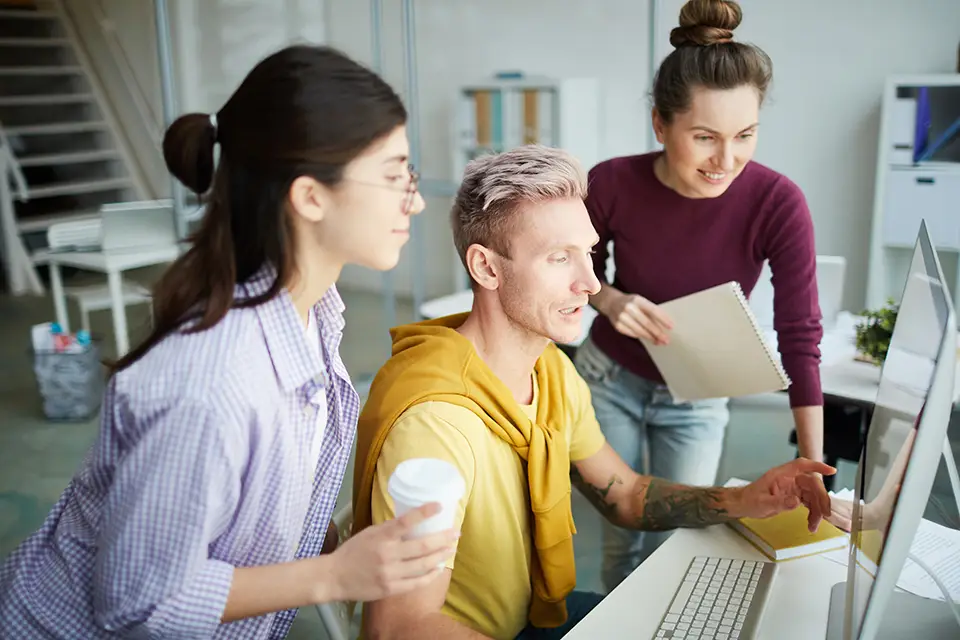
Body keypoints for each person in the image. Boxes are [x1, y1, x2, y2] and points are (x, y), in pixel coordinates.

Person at [0, 45, 459, 638]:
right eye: (395, 177)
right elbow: (137, 603)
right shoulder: (211, 384)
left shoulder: (314, 312)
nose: (415, 201)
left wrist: (326, 538)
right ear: (310, 196)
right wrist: (332, 575)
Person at [350, 144, 835, 640]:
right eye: (560, 258)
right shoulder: (435, 425)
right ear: (487, 268)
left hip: (531, 616)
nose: (588, 283)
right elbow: (402, 629)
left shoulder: (551, 373)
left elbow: (623, 494)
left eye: (588, 252)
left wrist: (744, 499)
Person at [573, 0, 826, 591]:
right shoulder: (611, 182)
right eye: (705, 137)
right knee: (622, 536)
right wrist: (607, 298)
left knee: (675, 544)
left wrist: (808, 462)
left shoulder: (777, 202)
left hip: (699, 396)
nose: (727, 160)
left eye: (745, 136)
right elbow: (573, 266)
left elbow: (799, 335)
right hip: (610, 380)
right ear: (661, 125)